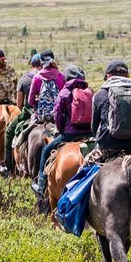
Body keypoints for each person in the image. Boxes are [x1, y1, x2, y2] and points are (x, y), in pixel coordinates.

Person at [31, 65, 93, 196]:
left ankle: (41, 186)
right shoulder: (89, 91)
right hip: (90, 133)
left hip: (70, 135)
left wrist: (61, 130)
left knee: (45, 151)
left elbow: (57, 115)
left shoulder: (64, 92)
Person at [91, 59, 131, 160]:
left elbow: (94, 128)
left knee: (85, 168)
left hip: (109, 147)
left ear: (108, 75)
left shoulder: (100, 94)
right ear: (127, 75)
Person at [0, 51, 49, 175]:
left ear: (31, 64)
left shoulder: (25, 79)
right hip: (51, 114)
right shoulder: (52, 76)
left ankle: (8, 167)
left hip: (31, 113)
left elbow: (20, 104)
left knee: (10, 132)